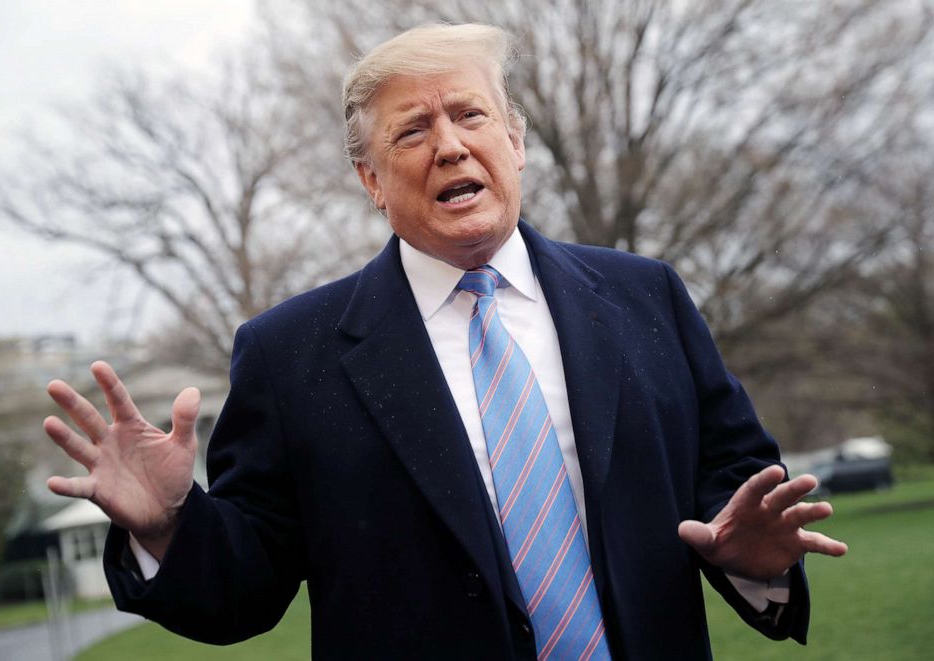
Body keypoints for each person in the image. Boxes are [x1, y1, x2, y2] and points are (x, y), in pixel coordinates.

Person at [43, 23, 846, 660]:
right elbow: (245, 589)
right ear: (370, 179)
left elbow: (738, 483)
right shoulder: (290, 356)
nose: (451, 145)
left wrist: (752, 553)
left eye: (470, 114)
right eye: (412, 131)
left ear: (516, 142)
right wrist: (168, 526)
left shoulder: (647, 297)